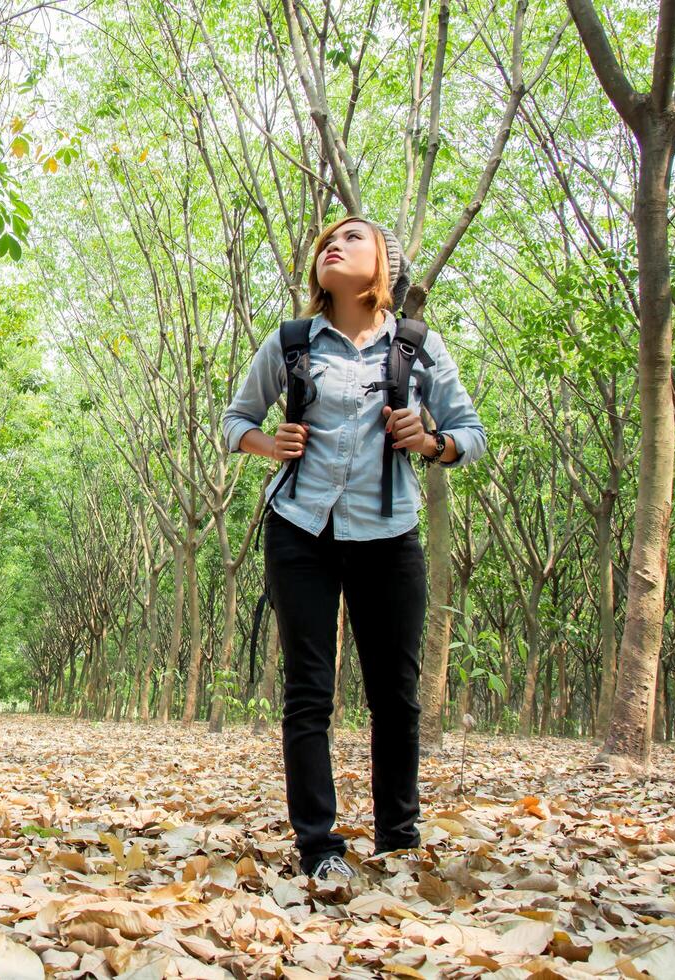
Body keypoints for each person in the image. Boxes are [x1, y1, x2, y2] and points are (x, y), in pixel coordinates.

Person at [221, 215, 486, 880]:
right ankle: (319, 848)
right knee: (308, 692)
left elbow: (470, 432)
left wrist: (429, 441)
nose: (332, 246)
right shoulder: (289, 343)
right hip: (299, 530)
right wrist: (265, 442)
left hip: (389, 535)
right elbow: (235, 420)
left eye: (351, 239)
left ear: (383, 268)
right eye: (325, 243)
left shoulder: (417, 348)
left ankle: (398, 839)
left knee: (395, 696)